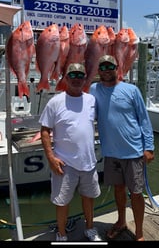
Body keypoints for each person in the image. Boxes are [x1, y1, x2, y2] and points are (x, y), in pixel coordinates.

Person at [90, 54, 155, 241]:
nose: (106, 70)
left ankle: (140, 232)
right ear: (98, 71)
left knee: (136, 192)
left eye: (110, 66)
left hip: (133, 151)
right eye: (102, 67)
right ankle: (121, 221)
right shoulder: (94, 89)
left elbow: (144, 119)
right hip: (111, 153)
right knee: (119, 189)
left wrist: (149, 147)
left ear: (117, 68)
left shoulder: (131, 90)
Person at [39, 63, 102, 242]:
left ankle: (90, 228)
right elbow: (45, 130)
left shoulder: (91, 100)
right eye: (72, 75)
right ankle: (61, 233)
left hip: (88, 162)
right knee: (62, 202)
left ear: (84, 80)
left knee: (89, 198)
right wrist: (51, 158)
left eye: (79, 76)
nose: (76, 79)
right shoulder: (55, 102)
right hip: (64, 164)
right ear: (66, 79)